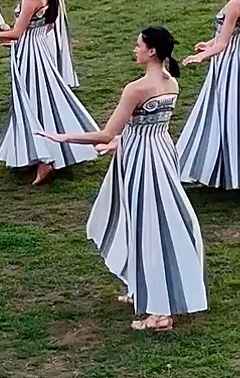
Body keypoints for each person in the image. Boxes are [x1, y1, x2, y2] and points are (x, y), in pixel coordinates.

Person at [38, 27, 207, 331]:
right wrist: (118, 143)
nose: (135, 49)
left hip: (143, 161)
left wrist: (61, 136)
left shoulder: (136, 88)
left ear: (152, 51)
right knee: (144, 222)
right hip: (160, 154)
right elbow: (148, 126)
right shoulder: (172, 83)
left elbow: (106, 132)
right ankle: (142, 288)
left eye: (139, 45)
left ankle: (160, 313)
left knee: (148, 227)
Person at [0, 0, 98, 185]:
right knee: (46, 98)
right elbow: (49, 26)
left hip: (29, 54)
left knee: (31, 101)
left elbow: (16, 32)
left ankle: (44, 159)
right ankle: (50, 151)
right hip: (40, 48)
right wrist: (26, 40)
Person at [177, 0, 240, 188]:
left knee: (228, 110)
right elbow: (228, 35)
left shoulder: (236, 3)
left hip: (231, 63)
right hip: (231, 57)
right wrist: (209, 44)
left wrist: (201, 56)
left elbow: (224, 43)